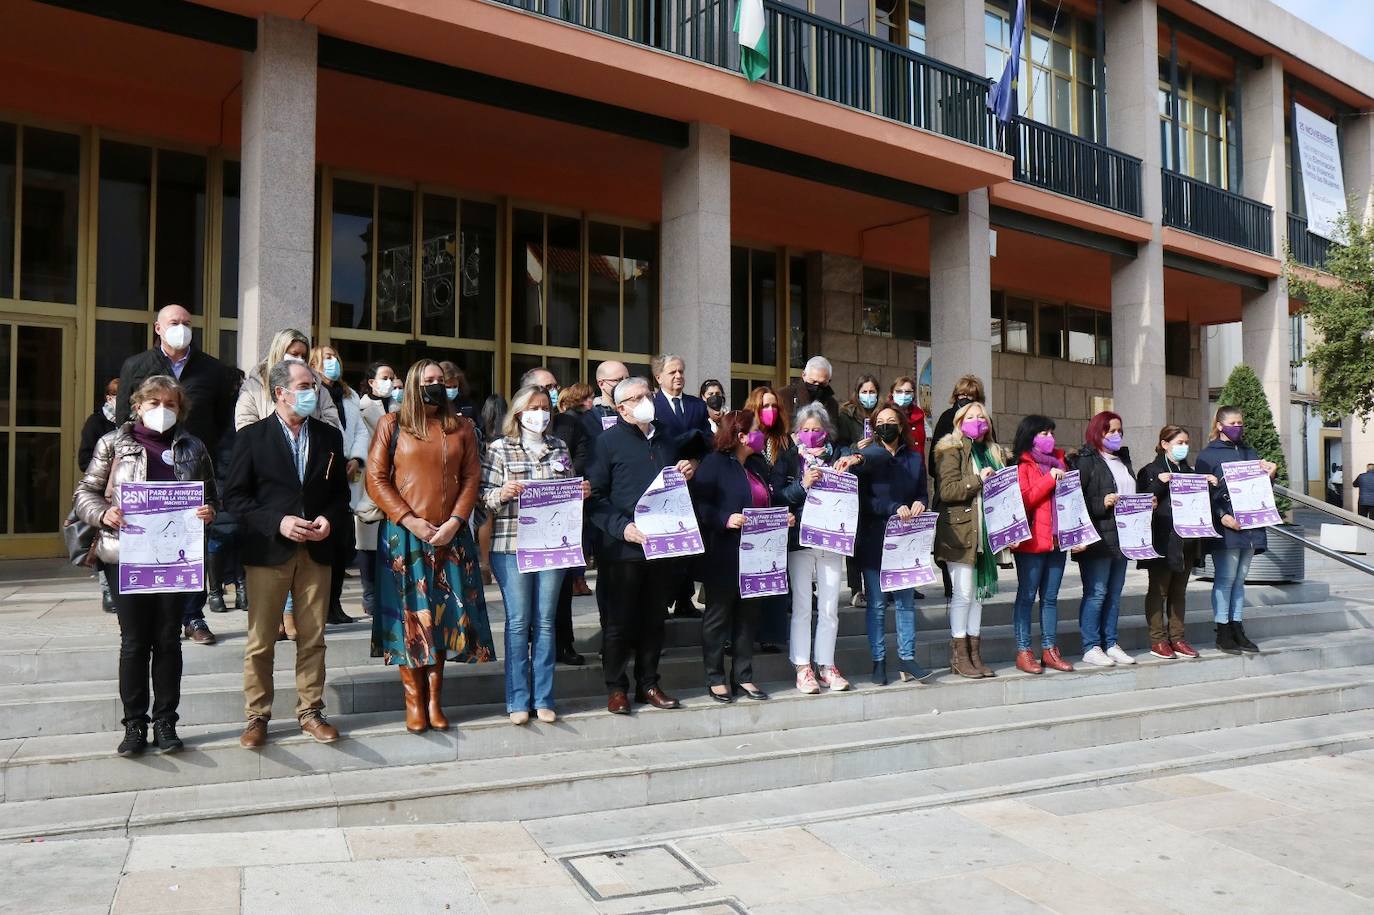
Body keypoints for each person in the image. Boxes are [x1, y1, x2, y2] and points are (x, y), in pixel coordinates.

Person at [73, 375, 218, 756]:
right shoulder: (112, 444)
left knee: (168, 639)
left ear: (180, 409)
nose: (162, 411)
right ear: (137, 405)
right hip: (125, 556)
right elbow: (84, 494)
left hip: (174, 560)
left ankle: (166, 721)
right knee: (135, 641)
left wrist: (208, 512)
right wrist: (105, 514)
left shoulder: (192, 447)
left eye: (170, 404)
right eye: (154, 403)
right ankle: (135, 724)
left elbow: (212, 496)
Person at [223, 360, 353, 749]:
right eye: (303, 384)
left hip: (316, 551)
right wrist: (276, 521)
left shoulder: (329, 436)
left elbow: (339, 496)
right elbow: (235, 497)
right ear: (280, 392)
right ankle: (257, 715)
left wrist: (329, 520)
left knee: (313, 637)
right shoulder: (252, 437)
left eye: (312, 384)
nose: (311, 390)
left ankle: (310, 711)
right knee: (261, 641)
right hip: (269, 551)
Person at [366, 360, 496, 734]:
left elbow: (472, 477)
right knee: (411, 619)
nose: (436, 386)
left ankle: (436, 700)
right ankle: (413, 701)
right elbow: (376, 479)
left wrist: (455, 521)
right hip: (405, 536)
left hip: (450, 536)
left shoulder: (462, 428)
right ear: (412, 385)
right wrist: (409, 519)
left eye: (441, 380)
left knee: (441, 620)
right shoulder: (392, 424)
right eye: (428, 381)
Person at [116, 304, 236, 646]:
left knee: (192, 545)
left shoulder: (213, 370)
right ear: (158, 328)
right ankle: (147, 613)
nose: (180, 328)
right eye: (173, 322)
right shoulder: (136, 366)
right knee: (149, 544)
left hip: (192, 472)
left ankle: (193, 615)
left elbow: (225, 426)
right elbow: (121, 421)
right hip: (147, 472)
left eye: (186, 323)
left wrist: (220, 475)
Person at [587, 376, 702, 714]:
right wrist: (622, 528)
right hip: (623, 548)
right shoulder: (606, 442)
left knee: (655, 619)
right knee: (619, 622)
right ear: (621, 408)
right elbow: (595, 497)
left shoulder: (666, 437)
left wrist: (688, 470)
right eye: (635, 398)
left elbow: (678, 485)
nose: (644, 401)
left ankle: (648, 683)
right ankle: (616, 688)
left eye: (646, 395)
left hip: (662, 546)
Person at [481, 384, 583, 724]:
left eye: (545, 408)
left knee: (545, 623)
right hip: (512, 546)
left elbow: (567, 493)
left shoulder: (559, 447)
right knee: (518, 623)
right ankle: (518, 700)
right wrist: (503, 493)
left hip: (552, 547)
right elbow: (483, 497)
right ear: (519, 412)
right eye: (534, 407)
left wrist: (580, 490)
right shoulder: (500, 449)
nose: (541, 413)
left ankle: (544, 697)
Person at [691, 409, 792, 703]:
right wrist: (725, 518)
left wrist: (779, 518)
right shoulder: (714, 464)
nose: (761, 433)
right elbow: (699, 505)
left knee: (749, 618)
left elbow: (766, 500)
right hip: (724, 553)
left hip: (758, 557)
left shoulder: (758, 465)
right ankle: (715, 677)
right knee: (718, 617)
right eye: (756, 429)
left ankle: (743, 676)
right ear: (740, 435)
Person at [773, 403, 860, 693]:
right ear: (798, 431)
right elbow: (779, 496)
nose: (811, 435)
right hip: (800, 538)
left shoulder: (836, 453)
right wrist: (802, 484)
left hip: (832, 539)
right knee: (800, 606)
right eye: (805, 430)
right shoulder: (788, 458)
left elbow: (856, 455)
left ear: (827, 431)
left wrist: (853, 459)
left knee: (829, 606)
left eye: (817, 430)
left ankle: (826, 664)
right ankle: (802, 667)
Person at [856, 405, 931, 684]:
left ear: (901, 426)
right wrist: (892, 506)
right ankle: (879, 661)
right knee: (876, 605)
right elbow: (864, 500)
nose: (886, 426)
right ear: (875, 427)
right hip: (875, 538)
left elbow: (923, 492)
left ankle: (907, 658)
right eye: (881, 422)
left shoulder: (913, 458)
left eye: (891, 421)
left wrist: (920, 503)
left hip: (905, 541)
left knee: (905, 603)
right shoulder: (867, 458)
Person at [1195, 406, 1278, 655]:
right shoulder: (1207, 456)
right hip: (1228, 526)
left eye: (1241, 422)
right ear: (1219, 425)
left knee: (1240, 579)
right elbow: (1200, 495)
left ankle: (1237, 626)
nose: (1238, 427)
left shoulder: (1249, 452)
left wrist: (1271, 474)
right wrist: (1222, 516)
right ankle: (1223, 629)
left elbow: (1259, 489)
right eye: (1233, 422)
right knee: (1226, 577)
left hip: (1251, 525)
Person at [934, 400, 1007, 679]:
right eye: (972, 416)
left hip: (985, 533)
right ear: (959, 421)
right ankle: (959, 655)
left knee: (978, 597)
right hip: (960, 531)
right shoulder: (950, 449)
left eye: (982, 417)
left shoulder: (992, 451)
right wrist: (978, 479)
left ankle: (975, 654)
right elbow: (948, 490)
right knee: (963, 594)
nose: (978, 421)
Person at [1137, 425, 1214, 660]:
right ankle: (1158, 640)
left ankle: (1178, 637)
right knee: (1159, 590)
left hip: (1188, 540)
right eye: (1179, 442)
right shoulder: (1151, 470)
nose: (1184, 447)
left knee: (1179, 591)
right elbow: (1142, 501)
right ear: (1164, 444)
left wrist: (1208, 483)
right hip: (1163, 539)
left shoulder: (1189, 471)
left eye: (1186, 443)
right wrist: (1159, 483)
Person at [1070, 410, 1140, 668]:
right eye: (1110, 430)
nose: (1116, 435)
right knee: (1097, 593)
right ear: (1097, 432)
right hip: (1097, 538)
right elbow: (1074, 501)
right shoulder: (1086, 460)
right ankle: (1091, 645)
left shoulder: (1123, 460)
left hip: (1123, 537)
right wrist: (1101, 503)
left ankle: (1110, 642)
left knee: (1114, 594)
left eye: (1119, 431)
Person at [1009, 415, 1073, 675]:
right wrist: (1050, 480)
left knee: (1050, 598)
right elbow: (1024, 499)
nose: (1049, 438)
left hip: (1058, 541)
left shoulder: (1061, 462)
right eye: (1043, 433)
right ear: (1030, 436)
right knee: (1026, 596)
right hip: (1031, 542)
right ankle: (1024, 651)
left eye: (1051, 433)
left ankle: (1049, 649)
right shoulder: (1022, 465)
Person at [311, 345, 369, 625]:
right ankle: (321, 607)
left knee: (342, 546)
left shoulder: (350, 394)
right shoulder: (310, 391)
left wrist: (357, 459)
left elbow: (359, 430)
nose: (332, 362)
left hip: (348, 470)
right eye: (326, 358)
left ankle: (335, 604)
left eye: (335, 357)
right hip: (323, 470)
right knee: (324, 545)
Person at [651, 353, 709, 618]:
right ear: (659, 376)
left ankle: (684, 599)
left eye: (681, 371)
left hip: (691, 482)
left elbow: (708, 442)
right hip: (662, 483)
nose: (678, 376)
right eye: (672, 372)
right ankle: (661, 601)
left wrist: (696, 462)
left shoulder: (697, 406)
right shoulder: (651, 405)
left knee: (689, 543)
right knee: (666, 544)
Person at [929, 375, 985, 603]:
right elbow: (935, 461)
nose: (965, 400)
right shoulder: (946, 418)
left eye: (970, 397)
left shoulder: (984, 421)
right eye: (961, 396)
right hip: (955, 493)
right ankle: (949, 587)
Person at [551, 381, 595, 665]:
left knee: (564, 585)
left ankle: (564, 644)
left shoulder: (569, 424)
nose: (549, 392)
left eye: (553, 387)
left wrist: (568, 478)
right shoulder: (512, 432)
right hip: (529, 522)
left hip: (565, 510)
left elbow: (582, 453)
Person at [356, 361, 400, 617]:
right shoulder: (361, 407)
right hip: (369, 477)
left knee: (389, 537)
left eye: (392, 376)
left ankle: (386, 589)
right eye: (384, 377)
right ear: (371, 382)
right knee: (366, 537)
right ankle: (369, 591)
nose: (390, 381)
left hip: (395, 477)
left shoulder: (399, 407)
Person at [235, 329, 341, 432]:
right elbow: (245, 426)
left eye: (303, 356)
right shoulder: (253, 388)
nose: (300, 360)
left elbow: (333, 425)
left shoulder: (319, 389)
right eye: (295, 354)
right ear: (279, 352)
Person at [837, 374, 882, 609]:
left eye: (872, 391)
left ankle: (876, 585)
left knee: (873, 534)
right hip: (854, 479)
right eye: (864, 391)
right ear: (857, 392)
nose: (868, 396)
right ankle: (856, 588)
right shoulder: (846, 414)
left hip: (876, 479)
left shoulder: (883, 414)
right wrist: (855, 449)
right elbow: (839, 445)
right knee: (854, 536)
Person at [80, 378, 120, 614]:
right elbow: (84, 459)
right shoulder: (96, 423)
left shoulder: (133, 423)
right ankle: (106, 589)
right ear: (108, 398)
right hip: (102, 491)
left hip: (124, 492)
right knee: (101, 540)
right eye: (117, 396)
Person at [476, 393, 508, 584]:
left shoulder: (481, 433)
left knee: (485, 520)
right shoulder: (508, 436)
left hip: (485, 480)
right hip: (506, 480)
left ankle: (485, 564)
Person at [778, 356, 844, 445]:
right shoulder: (784, 396)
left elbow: (834, 435)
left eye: (822, 383)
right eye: (813, 382)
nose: (817, 386)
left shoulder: (831, 404)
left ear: (829, 381)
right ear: (803, 375)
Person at [889, 376, 927, 456]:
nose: (903, 395)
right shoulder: (886, 413)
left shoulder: (919, 415)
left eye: (908, 392)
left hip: (917, 464)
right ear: (892, 393)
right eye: (899, 391)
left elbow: (920, 445)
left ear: (913, 394)